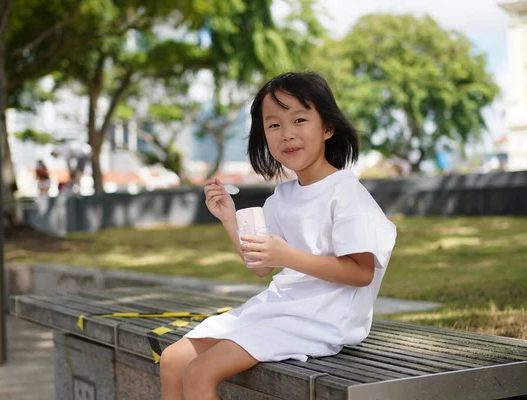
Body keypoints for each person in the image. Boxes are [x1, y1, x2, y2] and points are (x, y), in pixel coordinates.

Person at [159, 71, 397, 400]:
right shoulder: (283, 196)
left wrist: (286, 256)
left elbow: (360, 273)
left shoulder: (346, 193)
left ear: (327, 127)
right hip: (279, 309)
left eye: (299, 119)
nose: (287, 134)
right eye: (274, 125)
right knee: (173, 360)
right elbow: (260, 266)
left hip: (322, 318)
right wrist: (229, 218)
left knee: (201, 371)